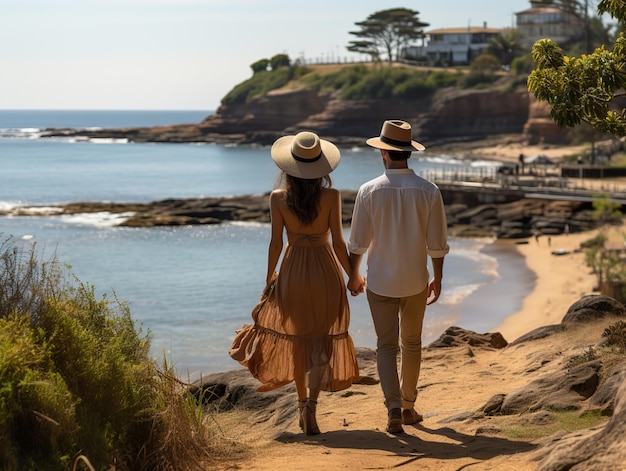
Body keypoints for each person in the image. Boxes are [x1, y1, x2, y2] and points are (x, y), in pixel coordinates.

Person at [229, 131, 361, 436]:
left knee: (299, 341)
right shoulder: (332, 196)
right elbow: (339, 243)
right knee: (321, 339)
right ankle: (312, 406)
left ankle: (301, 405)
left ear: (289, 167)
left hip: (292, 272)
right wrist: (353, 275)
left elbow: (275, 243)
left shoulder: (278, 198)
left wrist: (269, 278)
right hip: (326, 271)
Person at [347, 120, 450, 434]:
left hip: (379, 281)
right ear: (408, 153)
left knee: (386, 346)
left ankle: (392, 407)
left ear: (383, 154)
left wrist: (353, 275)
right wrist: (438, 278)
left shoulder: (368, 191)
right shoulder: (429, 191)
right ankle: (408, 406)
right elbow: (437, 244)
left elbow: (357, 243)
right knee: (413, 344)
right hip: (416, 281)